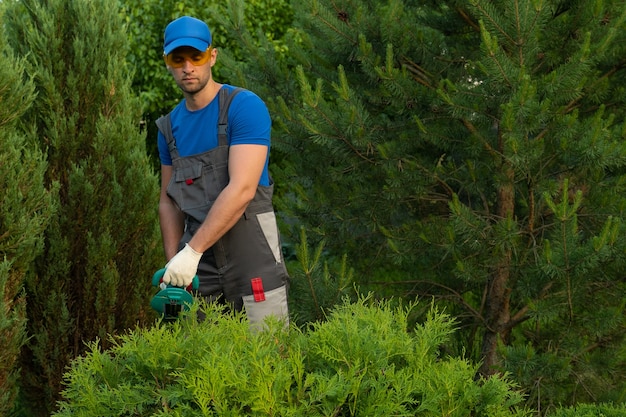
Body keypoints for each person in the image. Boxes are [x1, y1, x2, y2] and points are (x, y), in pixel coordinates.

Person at [155, 16, 289, 327]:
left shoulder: (244, 107)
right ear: (167, 62)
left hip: (252, 256)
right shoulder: (168, 129)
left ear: (212, 56)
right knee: (202, 363)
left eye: (196, 56)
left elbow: (243, 189)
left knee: (268, 360)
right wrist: (175, 261)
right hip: (198, 268)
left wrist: (191, 252)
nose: (188, 66)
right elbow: (168, 202)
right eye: (178, 58)